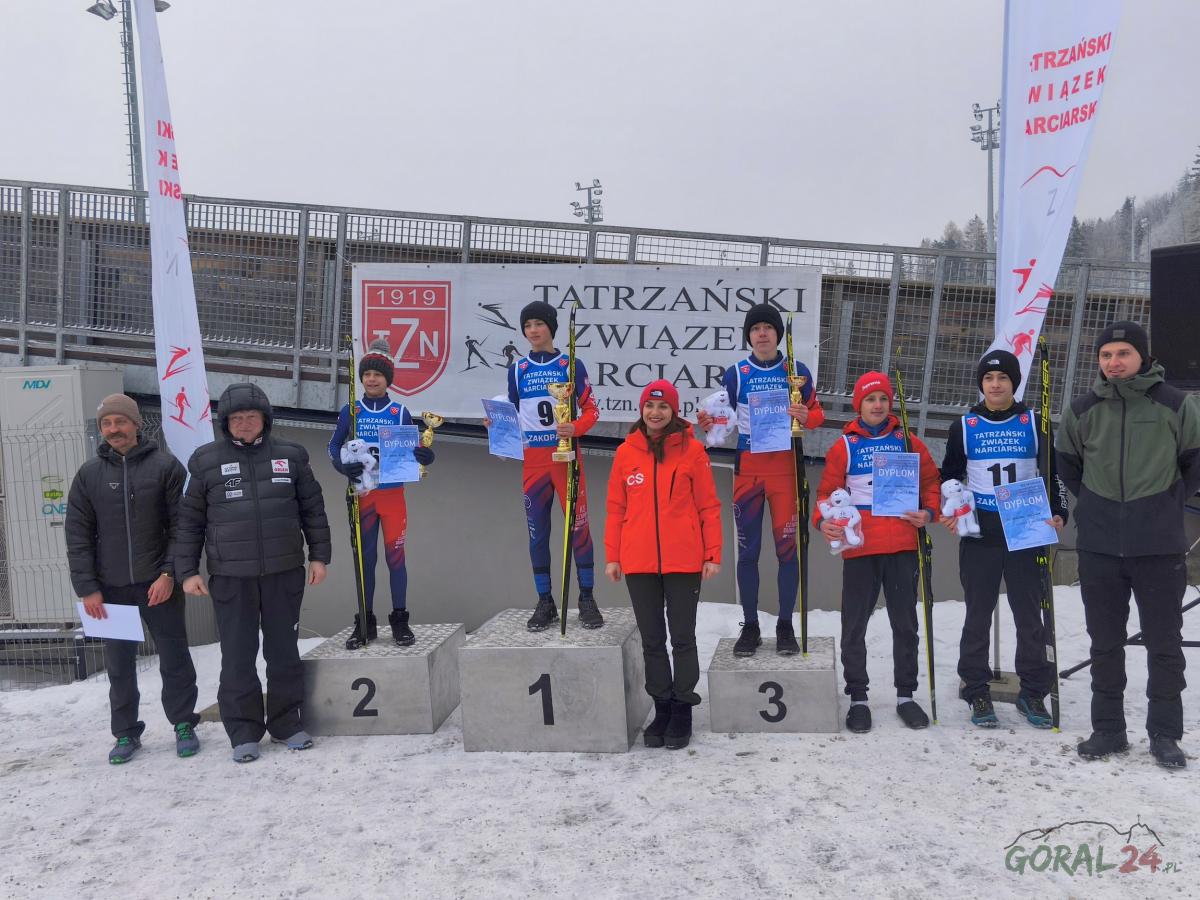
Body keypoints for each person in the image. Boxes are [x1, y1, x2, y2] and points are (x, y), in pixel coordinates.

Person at [1057, 320, 1200, 769]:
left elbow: (1194, 460)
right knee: (1104, 642)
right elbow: (1067, 463)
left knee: (1164, 644)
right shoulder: (1082, 409)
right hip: (1099, 546)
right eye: (1106, 355)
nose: (1114, 362)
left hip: (1158, 546)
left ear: (1143, 357)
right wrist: (1095, 503)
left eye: (1123, 353)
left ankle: (1164, 734)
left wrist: (1166, 501)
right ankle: (1108, 730)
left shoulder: (1175, 404)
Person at [175, 383, 331, 764]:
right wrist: (187, 571)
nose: (244, 424)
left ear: (265, 419)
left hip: (283, 572)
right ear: (225, 423)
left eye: (251, 416)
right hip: (232, 578)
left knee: (283, 653)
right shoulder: (205, 461)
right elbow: (189, 522)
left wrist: (319, 556)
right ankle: (243, 731)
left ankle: (286, 724)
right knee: (237, 657)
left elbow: (313, 509)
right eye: (236, 418)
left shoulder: (291, 455)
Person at [65, 394, 201, 764]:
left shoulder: (165, 467)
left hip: (158, 585)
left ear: (136, 424)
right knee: (119, 665)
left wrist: (169, 573)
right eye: (107, 424)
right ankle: (125, 732)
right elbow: (78, 536)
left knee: (174, 657)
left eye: (120, 422)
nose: (114, 430)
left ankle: (183, 724)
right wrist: (88, 588)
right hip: (110, 590)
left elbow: (182, 527)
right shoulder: (89, 475)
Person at [940, 350, 1067, 729]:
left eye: (1003, 378)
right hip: (981, 531)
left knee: (1029, 616)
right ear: (981, 383)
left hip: (1025, 528)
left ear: (1014, 382)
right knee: (977, 615)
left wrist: (1059, 511)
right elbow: (950, 475)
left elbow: (1054, 474)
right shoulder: (964, 425)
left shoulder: (1035, 423)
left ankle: (1033, 691)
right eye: (989, 379)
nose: (995, 385)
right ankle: (976, 689)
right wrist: (950, 508)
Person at [814, 371, 940, 733]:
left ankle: (905, 696)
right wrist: (824, 522)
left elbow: (931, 482)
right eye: (870, 399)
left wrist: (928, 512)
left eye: (883, 398)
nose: (878, 405)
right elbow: (825, 495)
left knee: (906, 625)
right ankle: (858, 697)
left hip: (902, 545)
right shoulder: (845, 446)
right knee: (854, 625)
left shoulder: (908, 441)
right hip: (861, 547)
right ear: (859, 405)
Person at [695, 303, 824, 656]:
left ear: (777, 334)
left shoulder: (796, 371)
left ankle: (785, 626)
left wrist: (805, 415)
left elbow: (818, 415)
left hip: (786, 471)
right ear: (748, 336)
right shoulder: (736, 373)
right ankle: (749, 626)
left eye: (768, 327)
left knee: (788, 552)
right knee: (748, 552)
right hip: (749, 472)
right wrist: (709, 424)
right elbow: (723, 421)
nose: (762, 333)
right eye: (755, 329)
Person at [605, 381, 722, 750]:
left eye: (663, 407)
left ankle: (683, 707)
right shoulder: (626, 452)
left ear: (674, 412)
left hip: (683, 560)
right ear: (642, 410)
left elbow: (708, 506)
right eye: (649, 406)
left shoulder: (693, 451)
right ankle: (662, 707)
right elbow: (616, 508)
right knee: (652, 640)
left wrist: (712, 553)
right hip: (638, 560)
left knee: (683, 637)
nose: (655, 413)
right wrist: (613, 555)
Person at [502, 300, 604, 631]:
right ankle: (545, 601)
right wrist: (498, 426)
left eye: (539, 324)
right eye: (527, 325)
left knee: (579, 529)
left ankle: (586, 597)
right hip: (533, 463)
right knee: (537, 534)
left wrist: (576, 427)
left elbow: (592, 410)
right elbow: (512, 414)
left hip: (566, 459)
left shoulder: (570, 364)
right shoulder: (518, 369)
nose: (533, 330)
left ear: (551, 327)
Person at [328, 338, 435, 648]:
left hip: (392, 497)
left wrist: (425, 456)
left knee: (395, 558)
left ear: (388, 379)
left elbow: (412, 450)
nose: (372, 379)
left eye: (378, 374)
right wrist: (341, 466)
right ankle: (365, 621)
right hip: (363, 496)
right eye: (367, 374)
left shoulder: (399, 411)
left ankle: (400, 620)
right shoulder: (351, 410)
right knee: (366, 560)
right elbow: (333, 445)